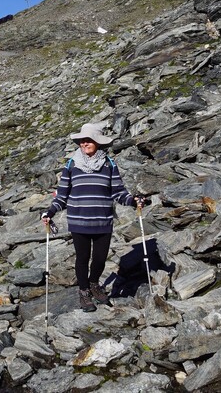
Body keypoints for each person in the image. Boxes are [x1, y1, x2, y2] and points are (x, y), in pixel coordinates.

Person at [41, 123, 148, 312]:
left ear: (98, 142)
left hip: (103, 220)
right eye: (82, 141)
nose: (84, 143)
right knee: (82, 258)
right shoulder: (72, 164)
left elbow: (118, 192)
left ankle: (93, 284)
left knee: (99, 259)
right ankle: (83, 292)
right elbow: (63, 195)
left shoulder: (109, 164)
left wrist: (133, 201)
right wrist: (50, 212)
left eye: (88, 140)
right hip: (78, 220)